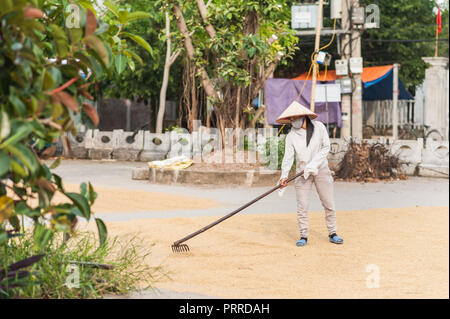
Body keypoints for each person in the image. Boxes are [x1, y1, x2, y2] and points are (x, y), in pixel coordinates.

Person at [277, 101, 343, 247]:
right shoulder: (291, 136)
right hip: (302, 173)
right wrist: (284, 176)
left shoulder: (319, 128)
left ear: (303, 116)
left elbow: (326, 148)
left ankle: (332, 233)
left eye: (295, 118)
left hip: (321, 170)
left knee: (328, 203)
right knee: (302, 206)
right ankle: (303, 235)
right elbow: (288, 157)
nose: (292, 121)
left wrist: (313, 165)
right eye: (291, 119)